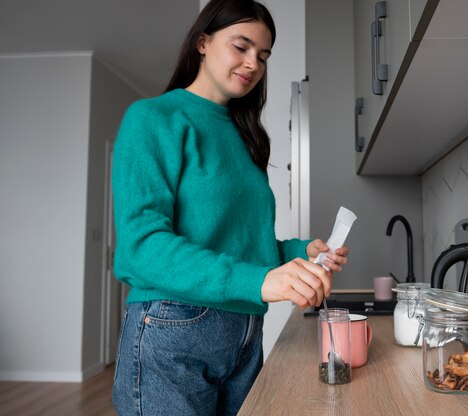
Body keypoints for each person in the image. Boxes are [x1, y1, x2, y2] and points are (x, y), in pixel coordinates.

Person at [110, 0, 349, 414]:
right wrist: (260, 282)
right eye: (241, 46)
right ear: (203, 42)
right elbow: (141, 248)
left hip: (243, 335)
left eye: (263, 55)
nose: (253, 63)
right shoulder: (154, 118)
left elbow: (237, 243)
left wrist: (297, 252)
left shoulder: (245, 138)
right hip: (173, 330)